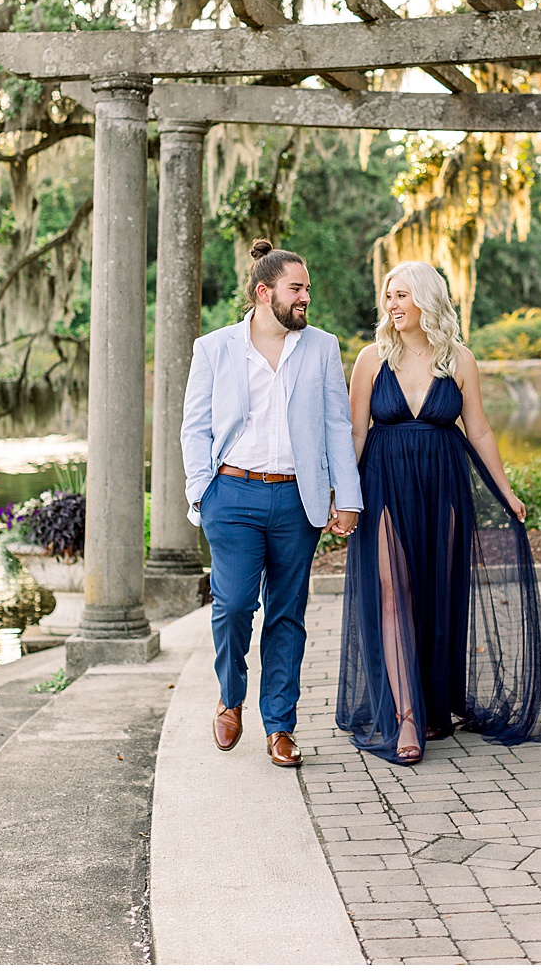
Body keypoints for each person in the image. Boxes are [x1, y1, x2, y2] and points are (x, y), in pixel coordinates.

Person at [336, 261, 541, 765]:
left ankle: (434, 704)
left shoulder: (458, 359)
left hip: (444, 482)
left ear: (427, 301)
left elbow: (478, 430)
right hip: (385, 482)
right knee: (394, 596)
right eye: (388, 296)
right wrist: (343, 496)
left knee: (438, 594)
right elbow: (355, 432)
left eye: (402, 296)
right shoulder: (371, 359)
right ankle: (405, 716)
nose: (392, 305)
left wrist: (507, 491)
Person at [182, 239, 362, 768]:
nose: (306, 297)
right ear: (265, 293)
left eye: (307, 288)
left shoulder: (322, 347)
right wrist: (201, 491)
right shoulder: (214, 348)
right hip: (231, 495)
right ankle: (230, 696)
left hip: (296, 500)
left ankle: (280, 726)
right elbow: (194, 427)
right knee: (234, 605)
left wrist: (346, 496)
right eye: (297, 288)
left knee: (288, 615)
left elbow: (336, 426)